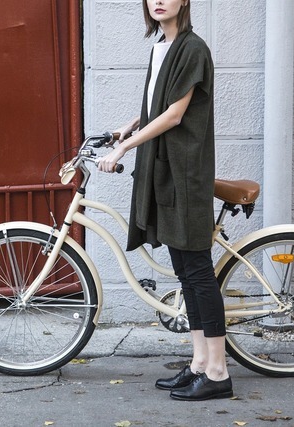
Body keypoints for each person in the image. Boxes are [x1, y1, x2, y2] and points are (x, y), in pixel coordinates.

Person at [97, 0, 233, 401]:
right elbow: (157, 106)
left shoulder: (193, 49)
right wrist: (127, 127)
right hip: (166, 171)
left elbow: (174, 115)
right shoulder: (162, 45)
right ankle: (198, 364)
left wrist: (125, 150)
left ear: (185, 1)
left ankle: (220, 371)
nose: (158, 0)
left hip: (186, 174)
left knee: (197, 269)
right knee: (185, 271)